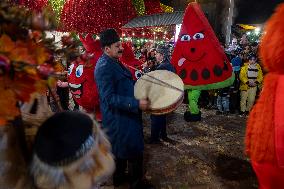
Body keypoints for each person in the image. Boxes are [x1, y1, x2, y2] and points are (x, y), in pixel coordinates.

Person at [94, 29, 153, 189]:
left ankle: (119, 180)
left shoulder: (113, 60)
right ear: (107, 49)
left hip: (124, 117)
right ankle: (136, 184)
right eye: (117, 45)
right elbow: (109, 98)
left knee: (119, 152)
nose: (121, 48)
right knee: (133, 152)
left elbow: (123, 83)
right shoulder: (104, 67)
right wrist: (136, 104)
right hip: (120, 119)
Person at [148, 45, 175, 144]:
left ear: (162, 55)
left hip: (159, 97)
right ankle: (163, 135)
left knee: (155, 117)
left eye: (157, 54)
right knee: (162, 117)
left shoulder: (162, 67)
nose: (155, 55)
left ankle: (154, 138)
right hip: (165, 96)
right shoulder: (169, 65)